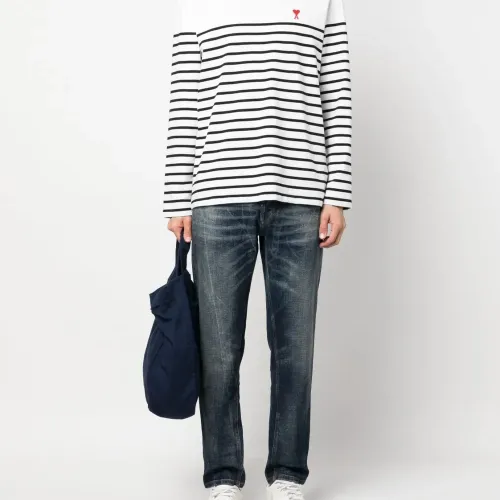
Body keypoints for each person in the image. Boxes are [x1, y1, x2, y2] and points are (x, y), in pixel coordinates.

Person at [163, 0, 352, 498]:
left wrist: (337, 194)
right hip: (216, 197)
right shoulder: (196, 5)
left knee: (295, 349)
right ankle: (223, 475)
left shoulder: (324, 3)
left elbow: (336, 95)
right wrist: (177, 197)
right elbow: (186, 100)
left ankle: (287, 473)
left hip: (302, 198)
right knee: (218, 351)